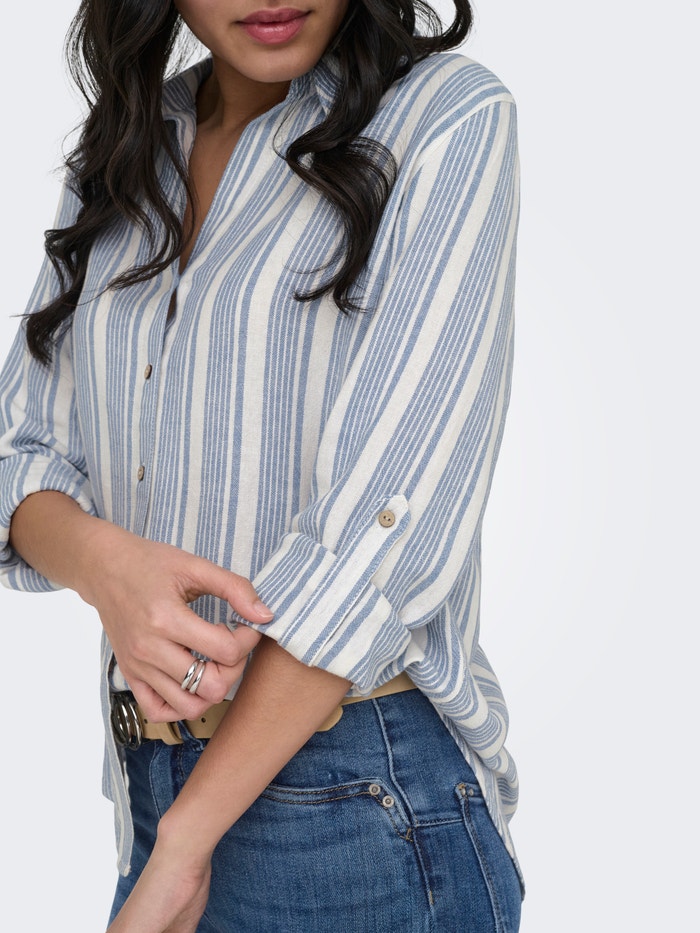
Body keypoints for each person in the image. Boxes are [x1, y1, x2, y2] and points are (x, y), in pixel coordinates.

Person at [0, 0, 522, 929]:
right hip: (153, 788)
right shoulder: (125, 147)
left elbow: (383, 532)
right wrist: (105, 565)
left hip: (350, 803)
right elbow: (17, 451)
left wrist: (186, 842)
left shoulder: (446, 115)